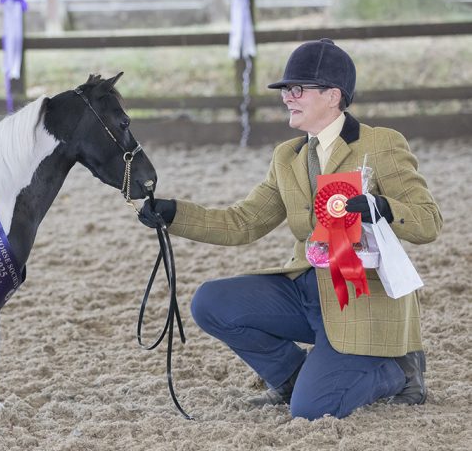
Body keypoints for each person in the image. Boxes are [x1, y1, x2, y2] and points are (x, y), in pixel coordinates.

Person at [139, 38, 442, 420]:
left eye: (297, 89)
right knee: (211, 303)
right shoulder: (287, 156)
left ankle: (399, 372)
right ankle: (291, 377)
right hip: (303, 288)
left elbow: (428, 222)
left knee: (313, 410)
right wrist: (174, 214)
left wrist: (383, 208)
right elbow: (243, 222)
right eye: (285, 89)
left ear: (333, 95)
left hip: (359, 298)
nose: (287, 97)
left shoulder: (381, 144)